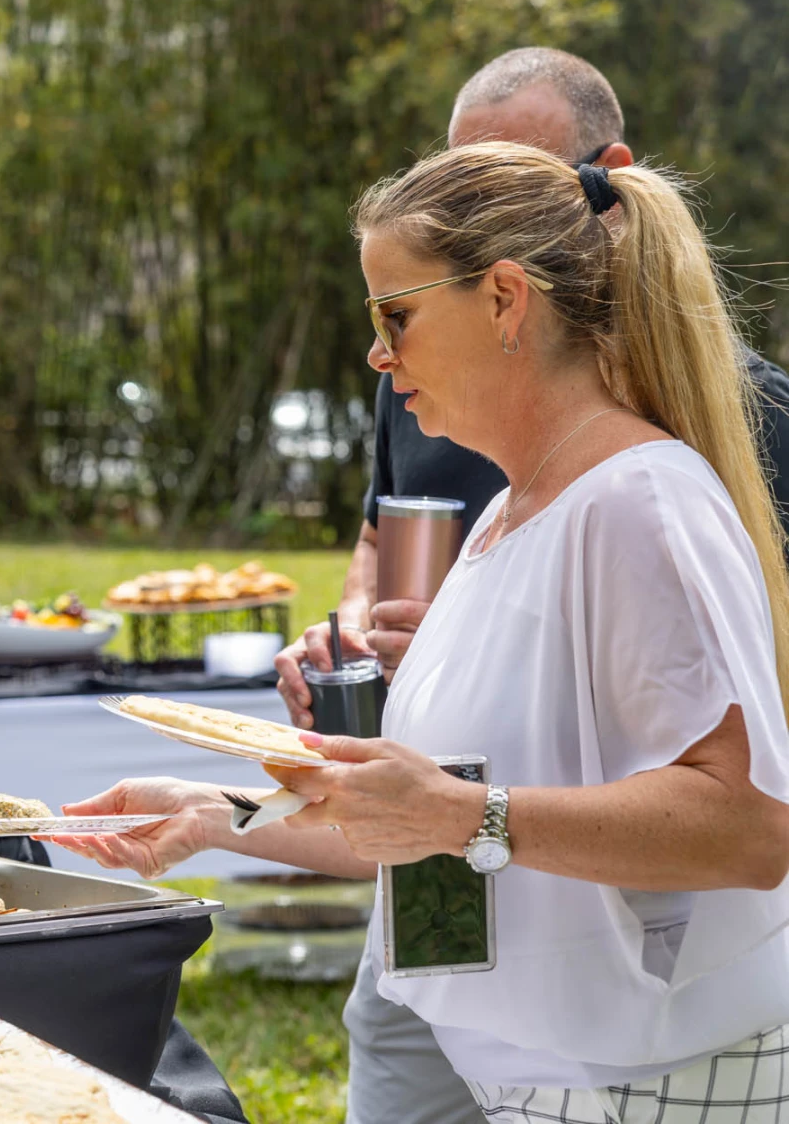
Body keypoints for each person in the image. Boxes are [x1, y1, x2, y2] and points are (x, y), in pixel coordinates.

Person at [59, 142, 789, 1120]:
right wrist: (216, 811)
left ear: (501, 299)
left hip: (660, 1086)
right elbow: (424, 825)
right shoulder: (503, 518)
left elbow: (746, 829)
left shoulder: (635, 500)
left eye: (393, 315)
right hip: (547, 1081)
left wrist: (464, 816)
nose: (375, 354)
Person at [278, 48, 789, 715]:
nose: (464, 216)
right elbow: (380, 535)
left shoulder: (667, 474)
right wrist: (354, 633)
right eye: (456, 178)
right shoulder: (423, 397)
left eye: (507, 187)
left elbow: (730, 785)